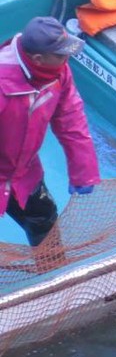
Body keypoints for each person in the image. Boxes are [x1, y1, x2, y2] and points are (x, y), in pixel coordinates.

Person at [0, 16, 100, 247]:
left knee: (44, 218)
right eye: (61, 54)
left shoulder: (58, 72)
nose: (68, 59)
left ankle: (53, 273)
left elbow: (71, 119)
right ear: (38, 58)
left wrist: (83, 171)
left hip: (24, 172)